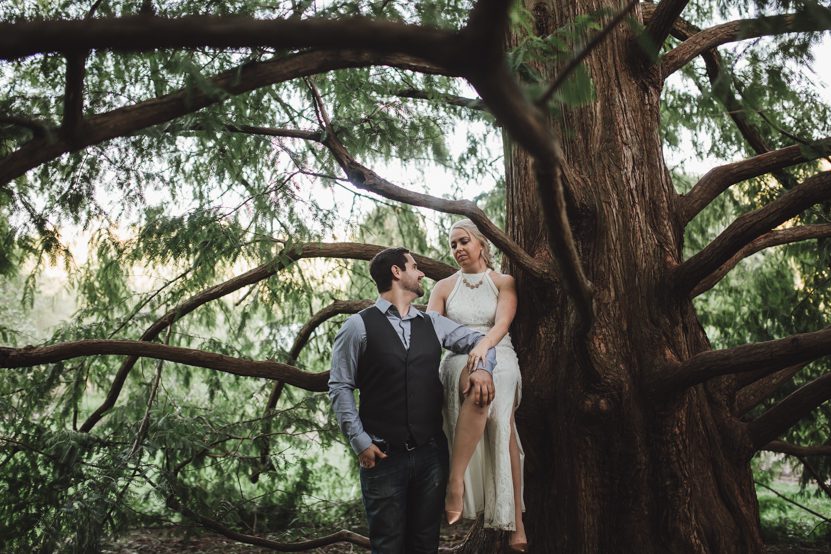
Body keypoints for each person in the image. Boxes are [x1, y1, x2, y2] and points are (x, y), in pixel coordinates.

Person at [328, 246, 497, 554]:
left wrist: (483, 369)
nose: (421, 273)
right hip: (382, 457)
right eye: (415, 267)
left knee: (424, 545)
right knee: (388, 546)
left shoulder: (432, 323)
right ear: (396, 272)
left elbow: (479, 341)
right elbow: (340, 386)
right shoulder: (357, 327)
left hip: (430, 455)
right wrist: (360, 441)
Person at [427, 219, 527, 552]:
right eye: (452, 244)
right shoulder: (442, 287)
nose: (457, 249)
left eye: (463, 242)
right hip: (459, 358)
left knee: (502, 422)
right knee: (475, 387)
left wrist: (484, 347)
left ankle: (516, 521)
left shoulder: (503, 282)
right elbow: (436, 330)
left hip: (501, 351)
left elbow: (501, 323)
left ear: (481, 244)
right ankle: (456, 482)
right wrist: (473, 353)